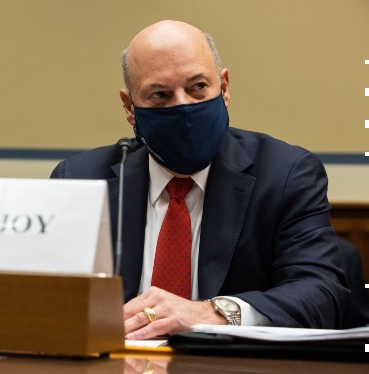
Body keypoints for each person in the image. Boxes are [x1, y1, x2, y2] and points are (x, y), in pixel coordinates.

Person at [51, 20, 349, 339]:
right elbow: (45, 298)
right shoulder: (81, 180)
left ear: (224, 86)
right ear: (130, 108)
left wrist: (211, 312)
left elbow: (321, 293)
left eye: (197, 87)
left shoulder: (285, 173)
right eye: (160, 94)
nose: (182, 106)